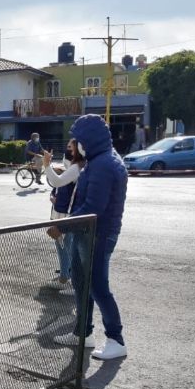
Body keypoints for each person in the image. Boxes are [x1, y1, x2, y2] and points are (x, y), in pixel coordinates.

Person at [53, 114, 128, 360]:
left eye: (78, 140)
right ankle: (83, 333)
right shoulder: (98, 161)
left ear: (90, 140)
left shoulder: (104, 164)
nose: (75, 145)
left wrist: (62, 227)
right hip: (86, 232)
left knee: (97, 287)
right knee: (81, 281)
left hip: (98, 234)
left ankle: (116, 339)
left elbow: (93, 207)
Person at [43, 139, 86, 289]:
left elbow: (56, 182)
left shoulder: (76, 167)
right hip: (67, 212)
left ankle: (65, 278)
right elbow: (57, 186)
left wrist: (46, 164)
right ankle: (66, 272)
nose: (69, 151)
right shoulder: (78, 166)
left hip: (67, 213)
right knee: (67, 245)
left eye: (70, 148)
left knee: (64, 244)